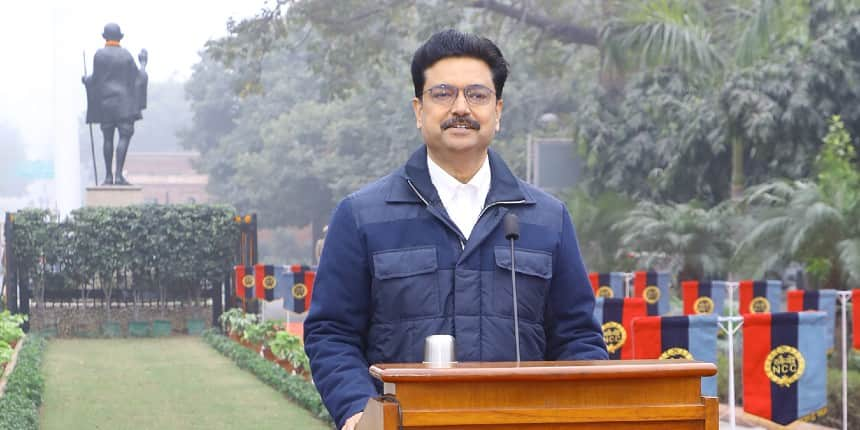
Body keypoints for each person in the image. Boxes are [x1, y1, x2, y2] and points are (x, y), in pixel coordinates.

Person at [304, 29, 608, 430]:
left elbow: (578, 340)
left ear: (498, 111)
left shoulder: (546, 218)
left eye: (478, 95)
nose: (461, 107)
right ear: (418, 109)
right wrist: (359, 412)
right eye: (443, 93)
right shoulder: (362, 215)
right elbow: (332, 333)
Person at [83, 23, 148, 186]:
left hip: (106, 104)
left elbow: (95, 79)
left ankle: (107, 177)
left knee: (107, 138)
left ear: (104, 37)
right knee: (124, 137)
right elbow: (139, 78)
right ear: (120, 37)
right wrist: (143, 64)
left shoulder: (99, 56)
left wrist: (85, 80)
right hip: (124, 105)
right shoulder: (126, 56)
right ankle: (118, 175)